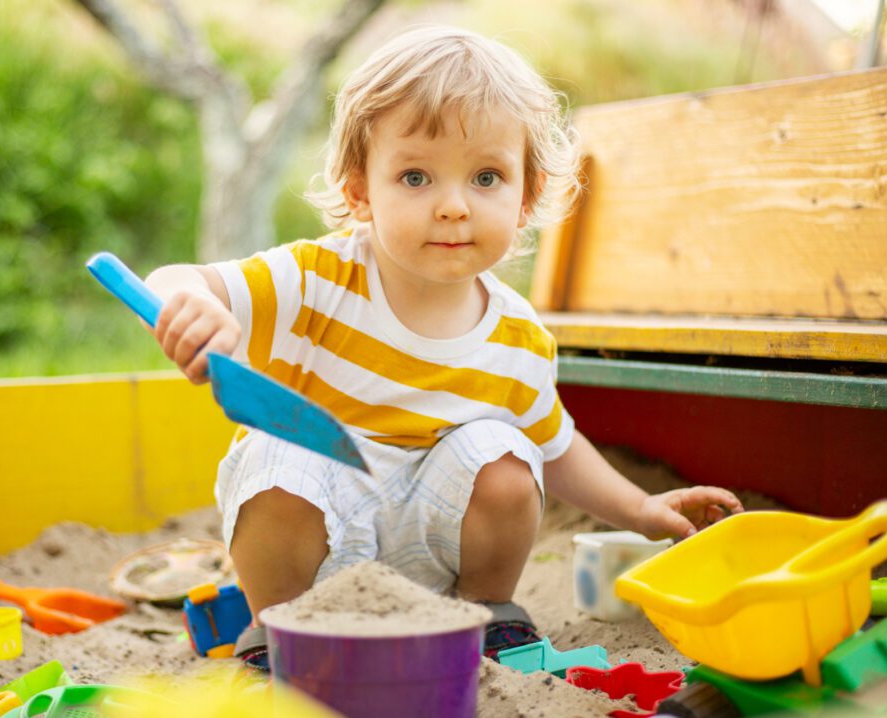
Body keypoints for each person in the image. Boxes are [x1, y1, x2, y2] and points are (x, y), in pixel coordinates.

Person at [142, 25, 743, 672]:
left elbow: (556, 444)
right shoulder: (315, 279)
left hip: (434, 560)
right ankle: (276, 633)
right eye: (416, 176)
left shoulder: (517, 337)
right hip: (319, 550)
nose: (454, 206)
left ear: (527, 197)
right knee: (275, 450)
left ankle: (484, 619)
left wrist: (642, 508)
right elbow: (182, 280)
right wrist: (186, 302)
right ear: (359, 191)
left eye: (486, 177)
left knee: (508, 455)